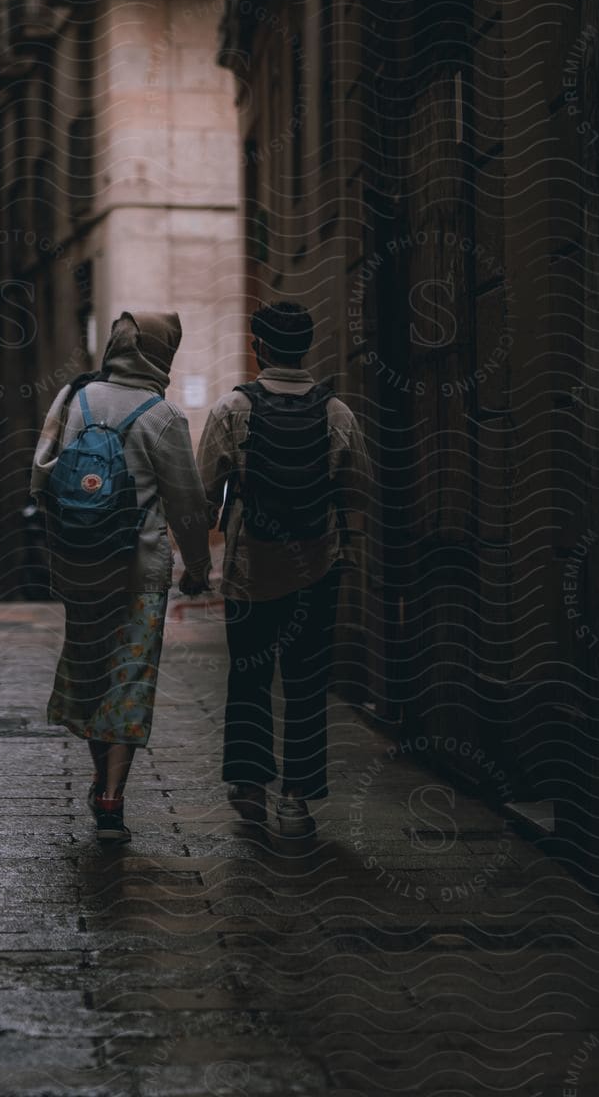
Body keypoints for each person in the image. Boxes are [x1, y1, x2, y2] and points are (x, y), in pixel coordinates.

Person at [31, 311, 213, 844]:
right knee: (129, 679)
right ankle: (112, 794)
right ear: (163, 352)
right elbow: (188, 507)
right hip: (140, 571)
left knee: (91, 673)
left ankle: (98, 776)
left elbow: (40, 481)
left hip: (83, 569)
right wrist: (198, 569)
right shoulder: (163, 417)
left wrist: (68, 542)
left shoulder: (73, 400)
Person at [196, 301, 371, 836]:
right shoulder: (337, 411)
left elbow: (205, 492)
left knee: (249, 675)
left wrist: (198, 560)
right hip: (317, 568)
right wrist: (350, 552)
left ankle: (249, 784)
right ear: (306, 347)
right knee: (306, 682)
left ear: (260, 347)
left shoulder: (232, 409)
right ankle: (297, 798)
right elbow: (357, 489)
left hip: (252, 569)